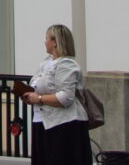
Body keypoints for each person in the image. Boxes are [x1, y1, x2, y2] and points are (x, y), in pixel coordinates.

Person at [18, 24, 91, 165]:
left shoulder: (67, 64)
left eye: (46, 38)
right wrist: (28, 95)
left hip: (63, 124)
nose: (44, 42)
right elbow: (37, 85)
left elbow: (66, 97)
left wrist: (38, 98)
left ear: (55, 42)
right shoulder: (45, 63)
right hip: (42, 121)